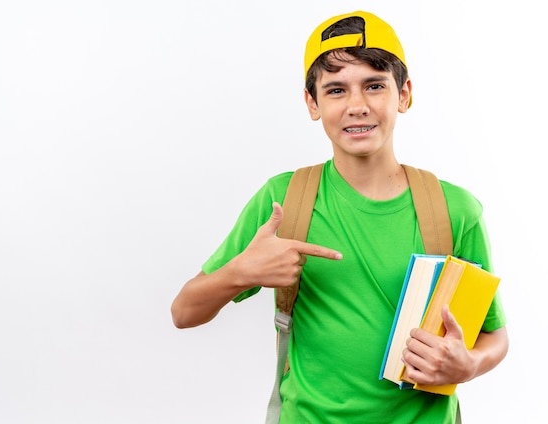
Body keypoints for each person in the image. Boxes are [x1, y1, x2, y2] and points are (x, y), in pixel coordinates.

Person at [170, 10, 508, 423]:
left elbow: (494, 335)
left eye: (374, 86)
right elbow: (183, 313)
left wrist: (468, 365)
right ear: (312, 103)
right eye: (335, 90)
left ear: (404, 95)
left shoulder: (456, 210)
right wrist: (240, 272)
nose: (357, 106)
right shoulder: (283, 201)